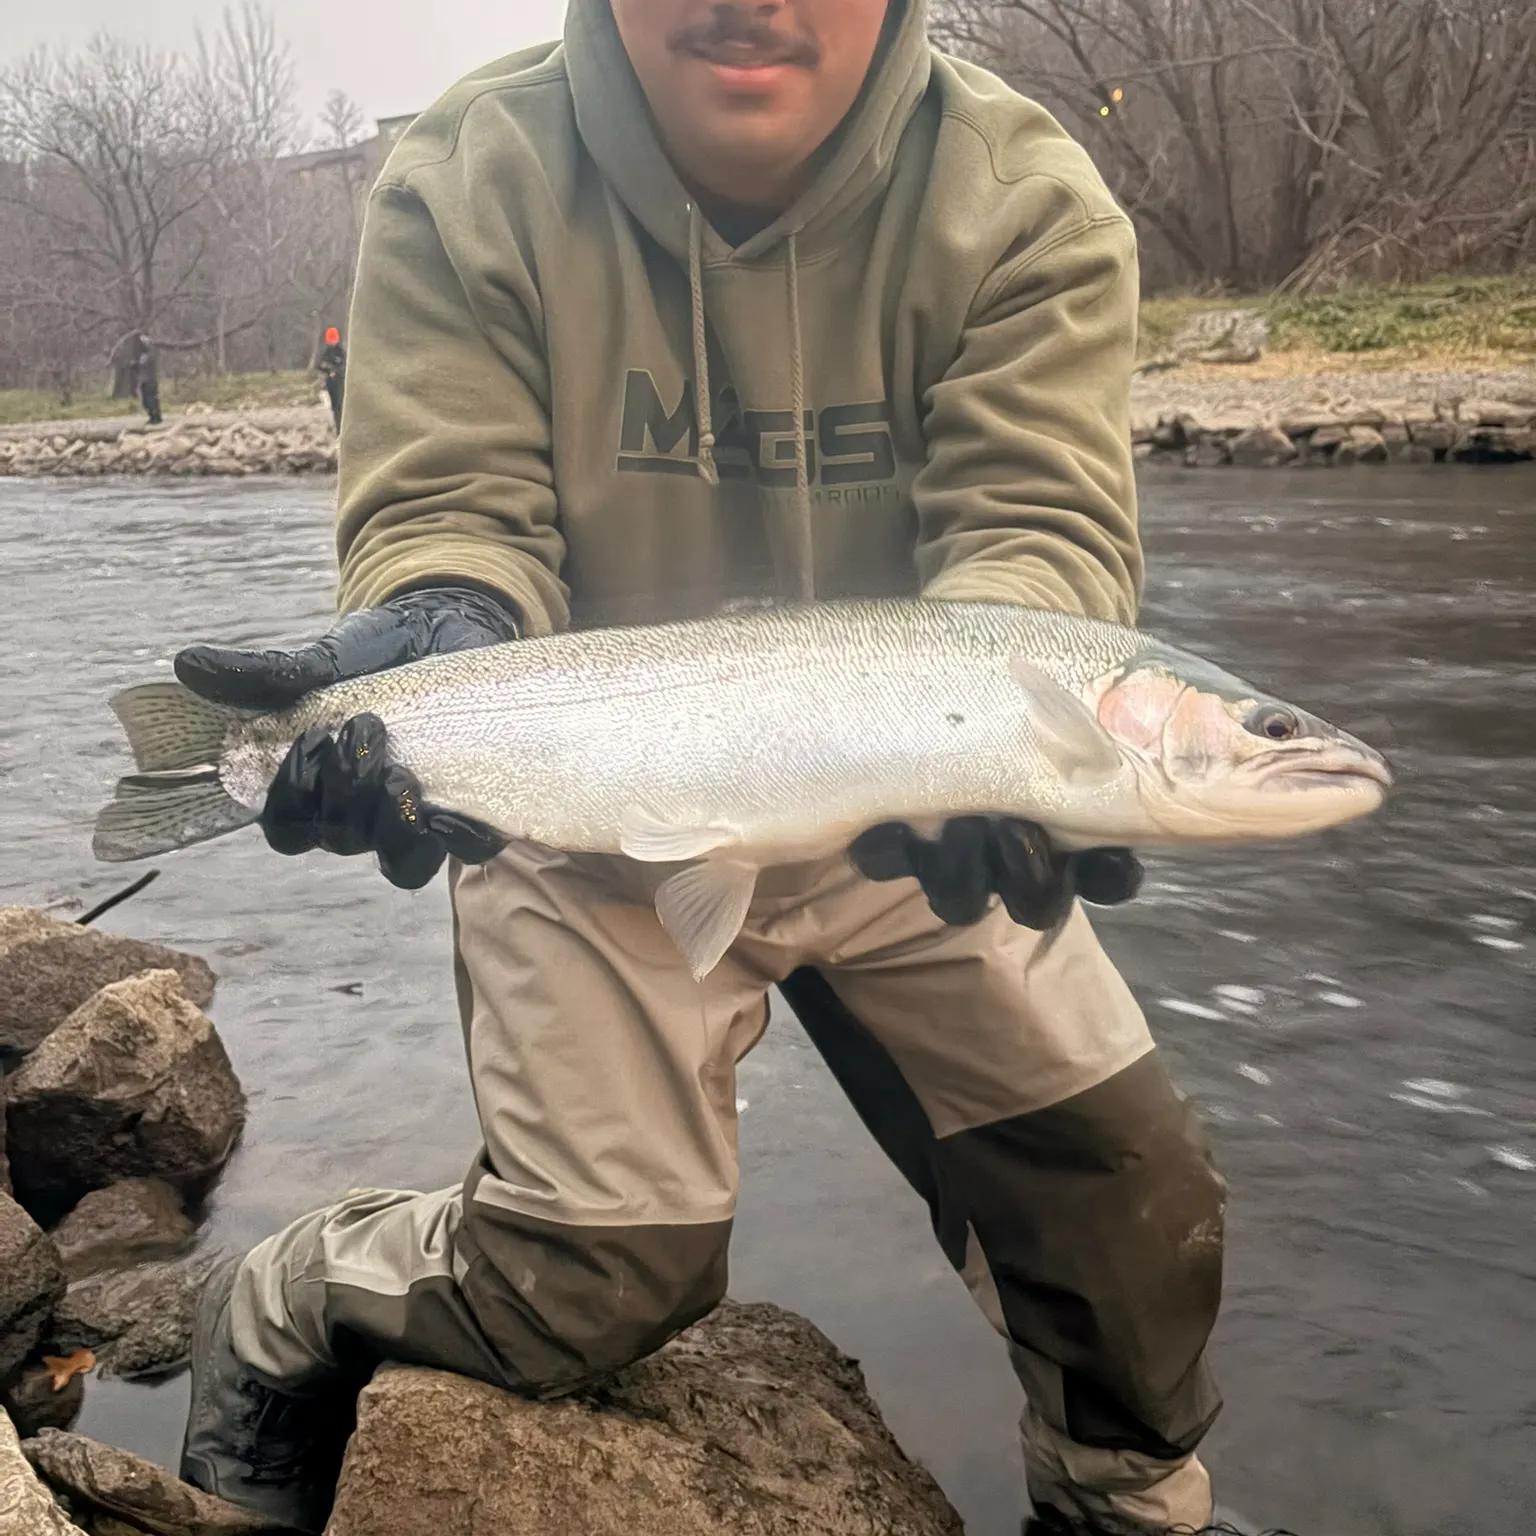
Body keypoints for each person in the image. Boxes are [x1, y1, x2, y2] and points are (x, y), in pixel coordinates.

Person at [170, 3, 1268, 1533]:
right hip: (589, 788)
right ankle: (287, 1300)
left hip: (911, 792)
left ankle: (1118, 1504)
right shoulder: (471, 173)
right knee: (591, 1286)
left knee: (1134, 1209)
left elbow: (1042, 538)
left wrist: (1014, 760)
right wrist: (434, 626)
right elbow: (454, 511)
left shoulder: (1021, 194)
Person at [317, 326, 347, 432]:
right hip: (330, 383)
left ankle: (341, 428)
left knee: (340, 405)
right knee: (334, 407)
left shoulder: (341, 352)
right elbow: (320, 365)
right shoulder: (327, 352)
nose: (331, 342)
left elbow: (344, 366)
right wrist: (327, 370)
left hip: (340, 382)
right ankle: (337, 427)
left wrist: (335, 371)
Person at [133, 334, 162, 427]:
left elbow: (144, 364)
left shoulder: (150, 354)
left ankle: (156, 417)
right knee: (146, 401)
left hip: (150, 380)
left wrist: (136, 364)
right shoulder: (143, 355)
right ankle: (152, 416)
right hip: (144, 381)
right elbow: (140, 367)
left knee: (151, 399)